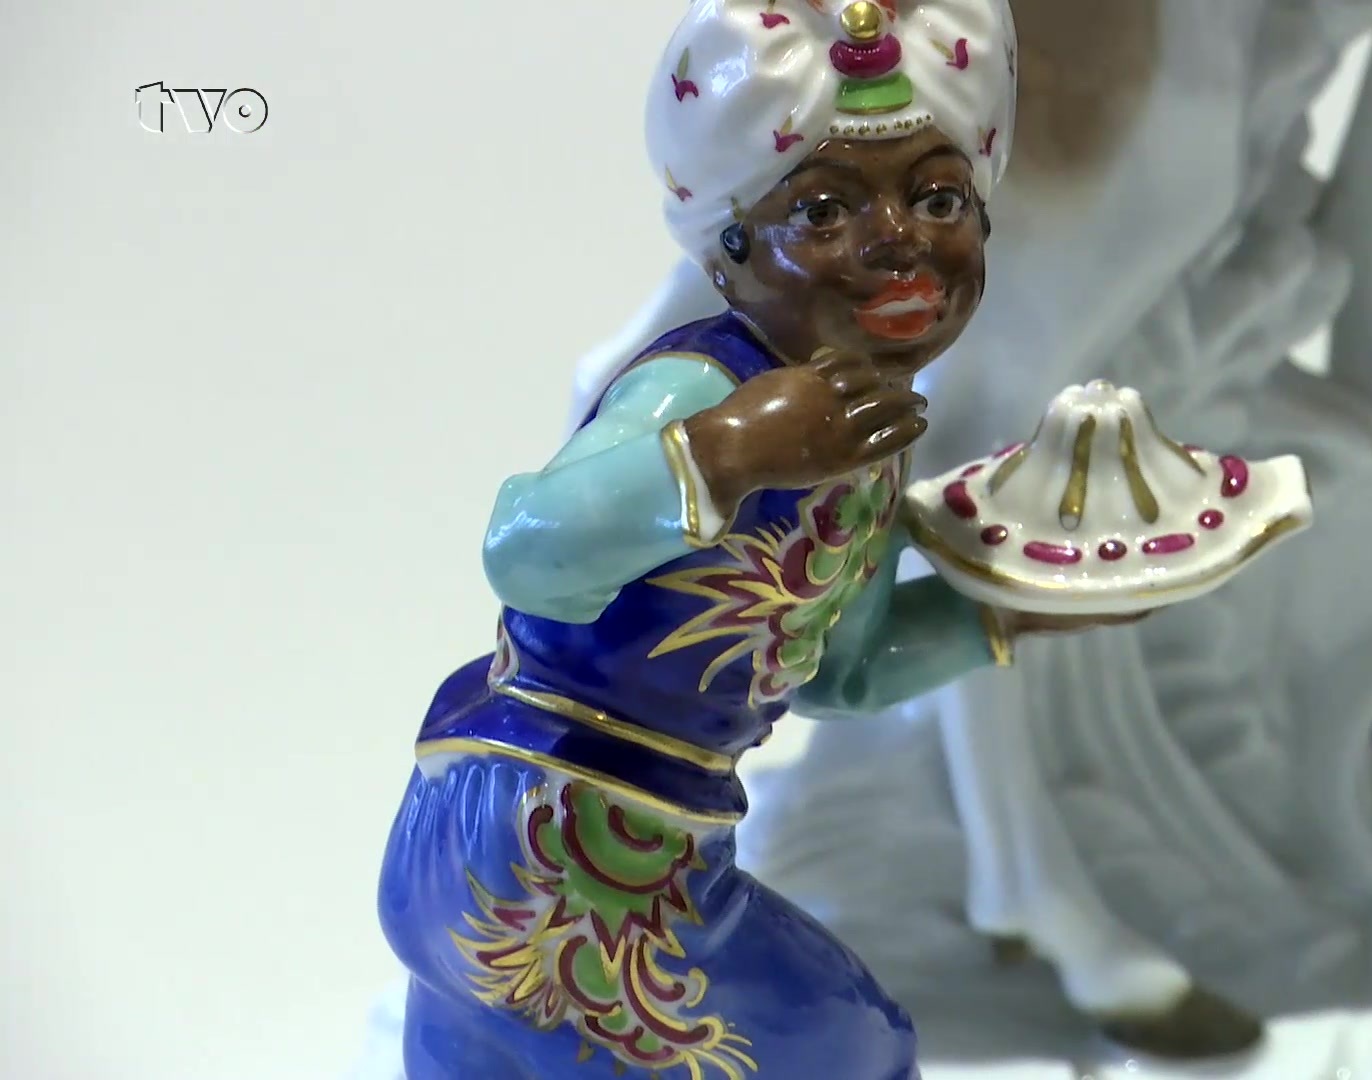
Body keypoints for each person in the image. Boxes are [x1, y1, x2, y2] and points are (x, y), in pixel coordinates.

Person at [373, 3, 1124, 1076]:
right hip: (551, 841)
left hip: (601, 846)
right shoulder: (701, 387)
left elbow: (844, 673)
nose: (898, 240)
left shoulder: (869, 442)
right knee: (853, 1049)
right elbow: (526, 551)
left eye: (939, 199)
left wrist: (1011, 606)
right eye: (822, 211)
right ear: (729, 253)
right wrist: (727, 450)